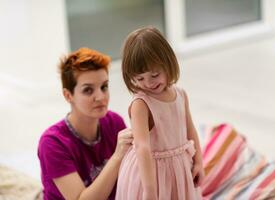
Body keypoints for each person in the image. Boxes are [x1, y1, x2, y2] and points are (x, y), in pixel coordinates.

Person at [116, 27, 204, 200]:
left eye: (154, 75)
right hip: (150, 173)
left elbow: (191, 130)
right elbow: (142, 147)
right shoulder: (141, 104)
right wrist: (149, 190)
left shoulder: (180, 94)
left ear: (168, 64)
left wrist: (199, 162)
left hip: (179, 169)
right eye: (139, 78)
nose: (148, 83)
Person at [37, 47, 133, 200]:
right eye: (88, 90)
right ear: (68, 95)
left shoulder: (114, 122)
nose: (100, 97)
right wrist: (118, 155)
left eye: (104, 87)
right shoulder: (52, 143)